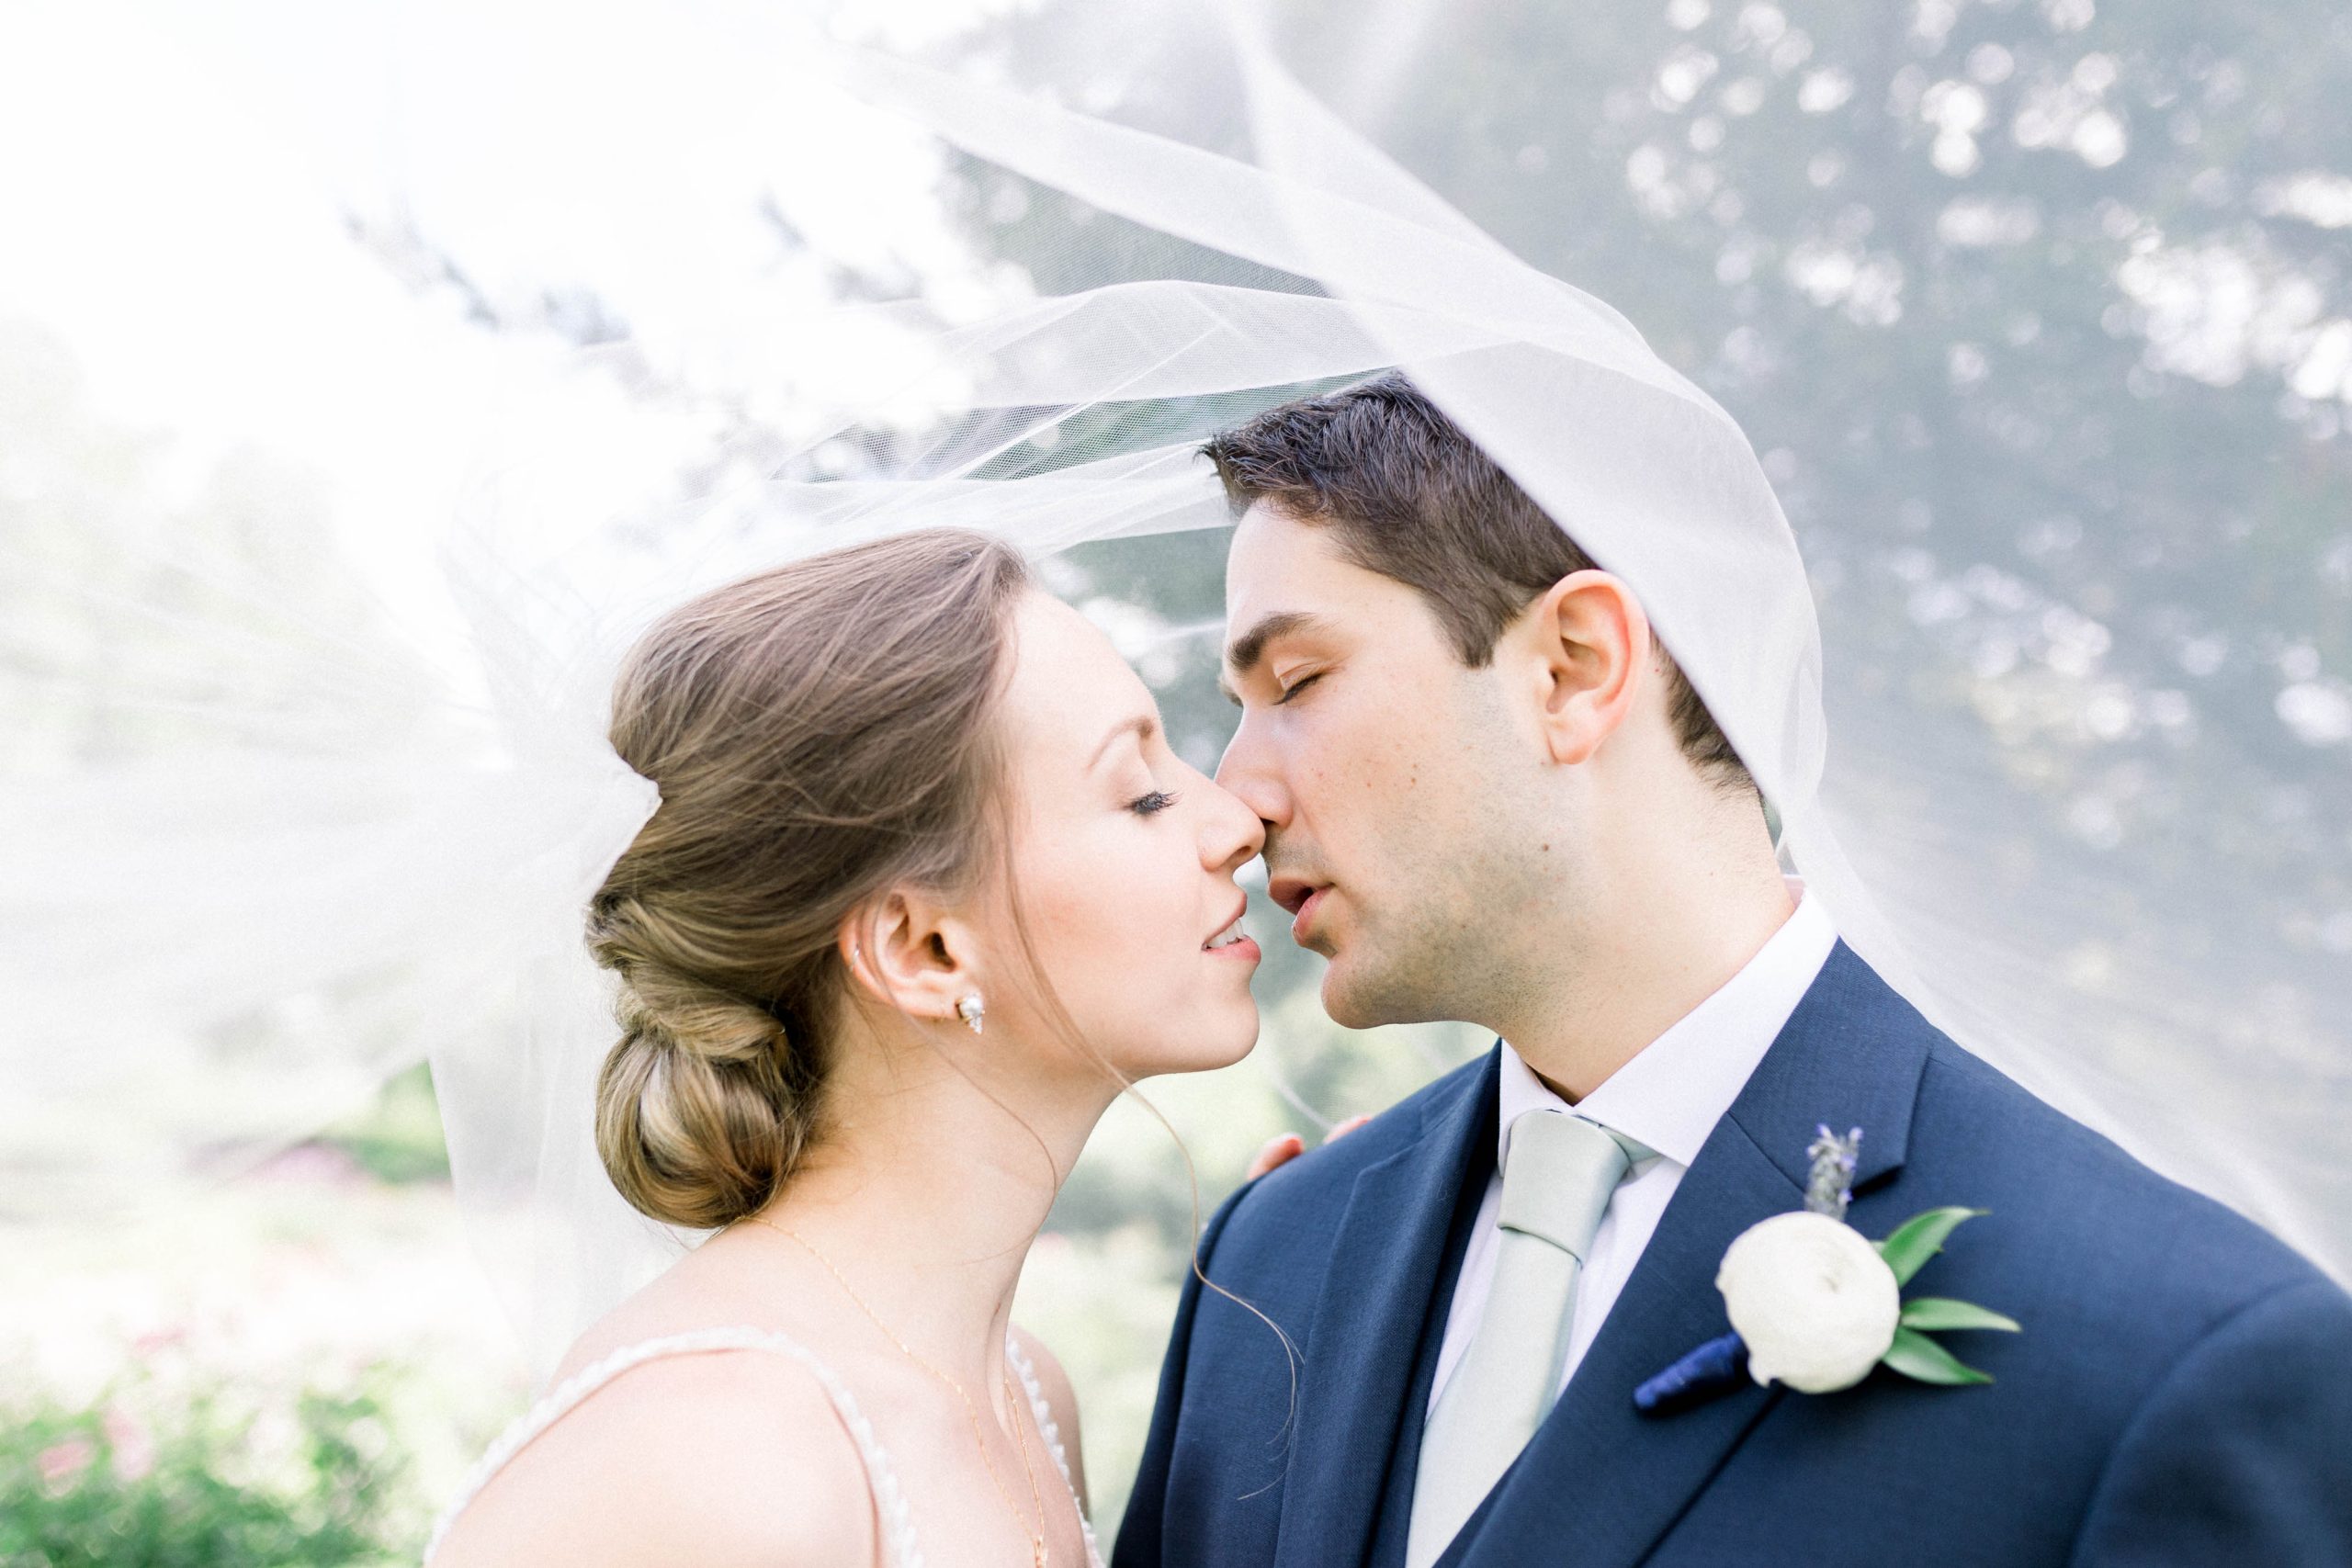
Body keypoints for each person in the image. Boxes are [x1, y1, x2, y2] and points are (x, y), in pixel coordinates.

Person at [1114, 374, 2352, 1568]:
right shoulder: (1271, 1260)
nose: (1240, 792)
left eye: (1297, 682)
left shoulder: (2167, 1351)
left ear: (1574, 665)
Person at [430, 528, 1270, 1567]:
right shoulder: (714, 1460)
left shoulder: (1024, 1395)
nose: (1237, 820)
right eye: (1141, 794)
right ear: (924, 948)